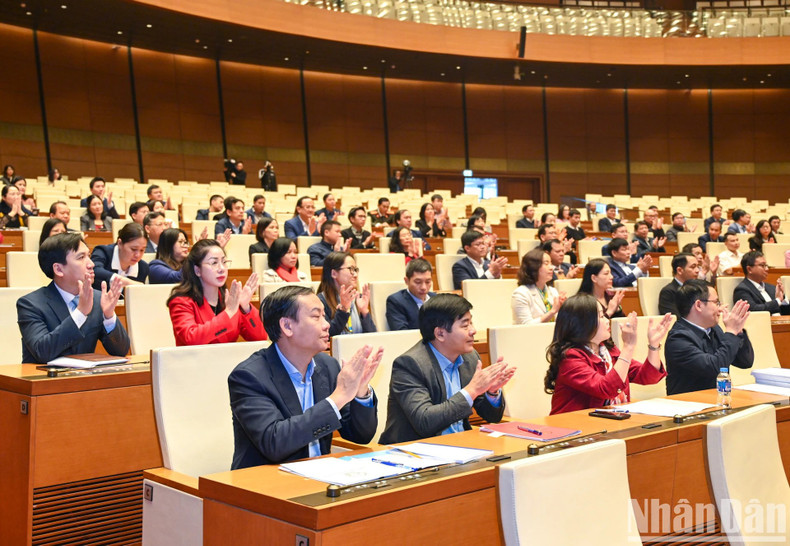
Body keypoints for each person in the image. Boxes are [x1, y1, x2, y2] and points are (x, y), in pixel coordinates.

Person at [229, 285, 381, 468]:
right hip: (267, 484)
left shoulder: (327, 366)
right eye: (316, 317)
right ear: (287, 326)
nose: (327, 325)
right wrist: (338, 397)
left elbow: (360, 435)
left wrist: (360, 391)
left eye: (324, 316)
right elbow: (274, 443)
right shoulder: (249, 377)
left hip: (320, 478)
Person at [380, 293, 514, 444]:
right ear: (440, 333)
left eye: (472, 323)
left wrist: (491, 392)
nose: (473, 330)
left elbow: (492, 417)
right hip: (415, 453)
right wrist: (471, 391)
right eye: (465, 325)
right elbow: (424, 421)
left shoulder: (470, 358)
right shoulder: (409, 365)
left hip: (461, 447)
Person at [544, 294, 670, 415]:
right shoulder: (570, 358)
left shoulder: (607, 350)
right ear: (583, 324)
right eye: (600, 316)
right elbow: (605, 389)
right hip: (573, 429)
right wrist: (628, 347)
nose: (607, 320)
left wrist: (654, 345)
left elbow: (648, 377)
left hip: (609, 422)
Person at [16, 232, 129, 363]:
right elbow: (42, 351)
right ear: (58, 269)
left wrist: (109, 316)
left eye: (89, 256)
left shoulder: (97, 299)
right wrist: (80, 313)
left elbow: (121, 351)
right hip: (44, 379)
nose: (91, 264)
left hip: (84, 380)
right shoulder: (31, 304)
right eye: (81, 257)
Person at [167, 239, 266, 346]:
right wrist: (228, 313)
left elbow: (260, 338)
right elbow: (191, 339)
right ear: (197, 270)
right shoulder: (181, 302)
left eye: (224, 262)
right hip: (195, 361)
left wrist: (245, 308)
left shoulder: (229, 300)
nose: (221, 268)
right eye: (214, 263)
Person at [665, 279, 753, 395]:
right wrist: (731, 332)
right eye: (716, 302)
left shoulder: (714, 329)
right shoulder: (678, 338)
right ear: (699, 305)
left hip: (717, 402)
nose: (720, 308)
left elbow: (745, 362)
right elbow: (715, 368)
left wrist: (738, 331)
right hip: (689, 406)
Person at [317, 251, 377, 336]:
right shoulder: (320, 301)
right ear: (334, 273)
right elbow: (327, 335)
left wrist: (364, 312)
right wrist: (343, 310)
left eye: (356, 270)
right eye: (350, 269)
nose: (355, 274)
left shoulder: (358, 298)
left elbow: (373, 337)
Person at [512, 248, 565, 324]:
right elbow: (526, 326)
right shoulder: (521, 293)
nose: (551, 268)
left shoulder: (553, 291)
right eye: (546, 264)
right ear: (533, 267)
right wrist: (552, 311)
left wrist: (564, 309)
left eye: (551, 263)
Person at [90, 222, 150, 289]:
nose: (138, 255)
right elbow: (94, 270)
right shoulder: (103, 252)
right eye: (133, 249)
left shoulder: (143, 268)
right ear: (120, 243)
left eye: (142, 250)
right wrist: (126, 282)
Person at [733, 251, 790, 315]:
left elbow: (785, 311)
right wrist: (778, 300)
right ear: (749, 269)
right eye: (762, 265)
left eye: (766, 265)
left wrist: (783, 299)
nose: (767, 269)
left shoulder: (772, 287)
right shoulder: (742, 290)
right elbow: (753, 310)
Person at [386, 259, 435, 331]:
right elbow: (402, 332)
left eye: (428, 282)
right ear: (407, 281)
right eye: (418, 282)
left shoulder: (436, 299)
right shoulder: (396, 301)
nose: (423, 287)